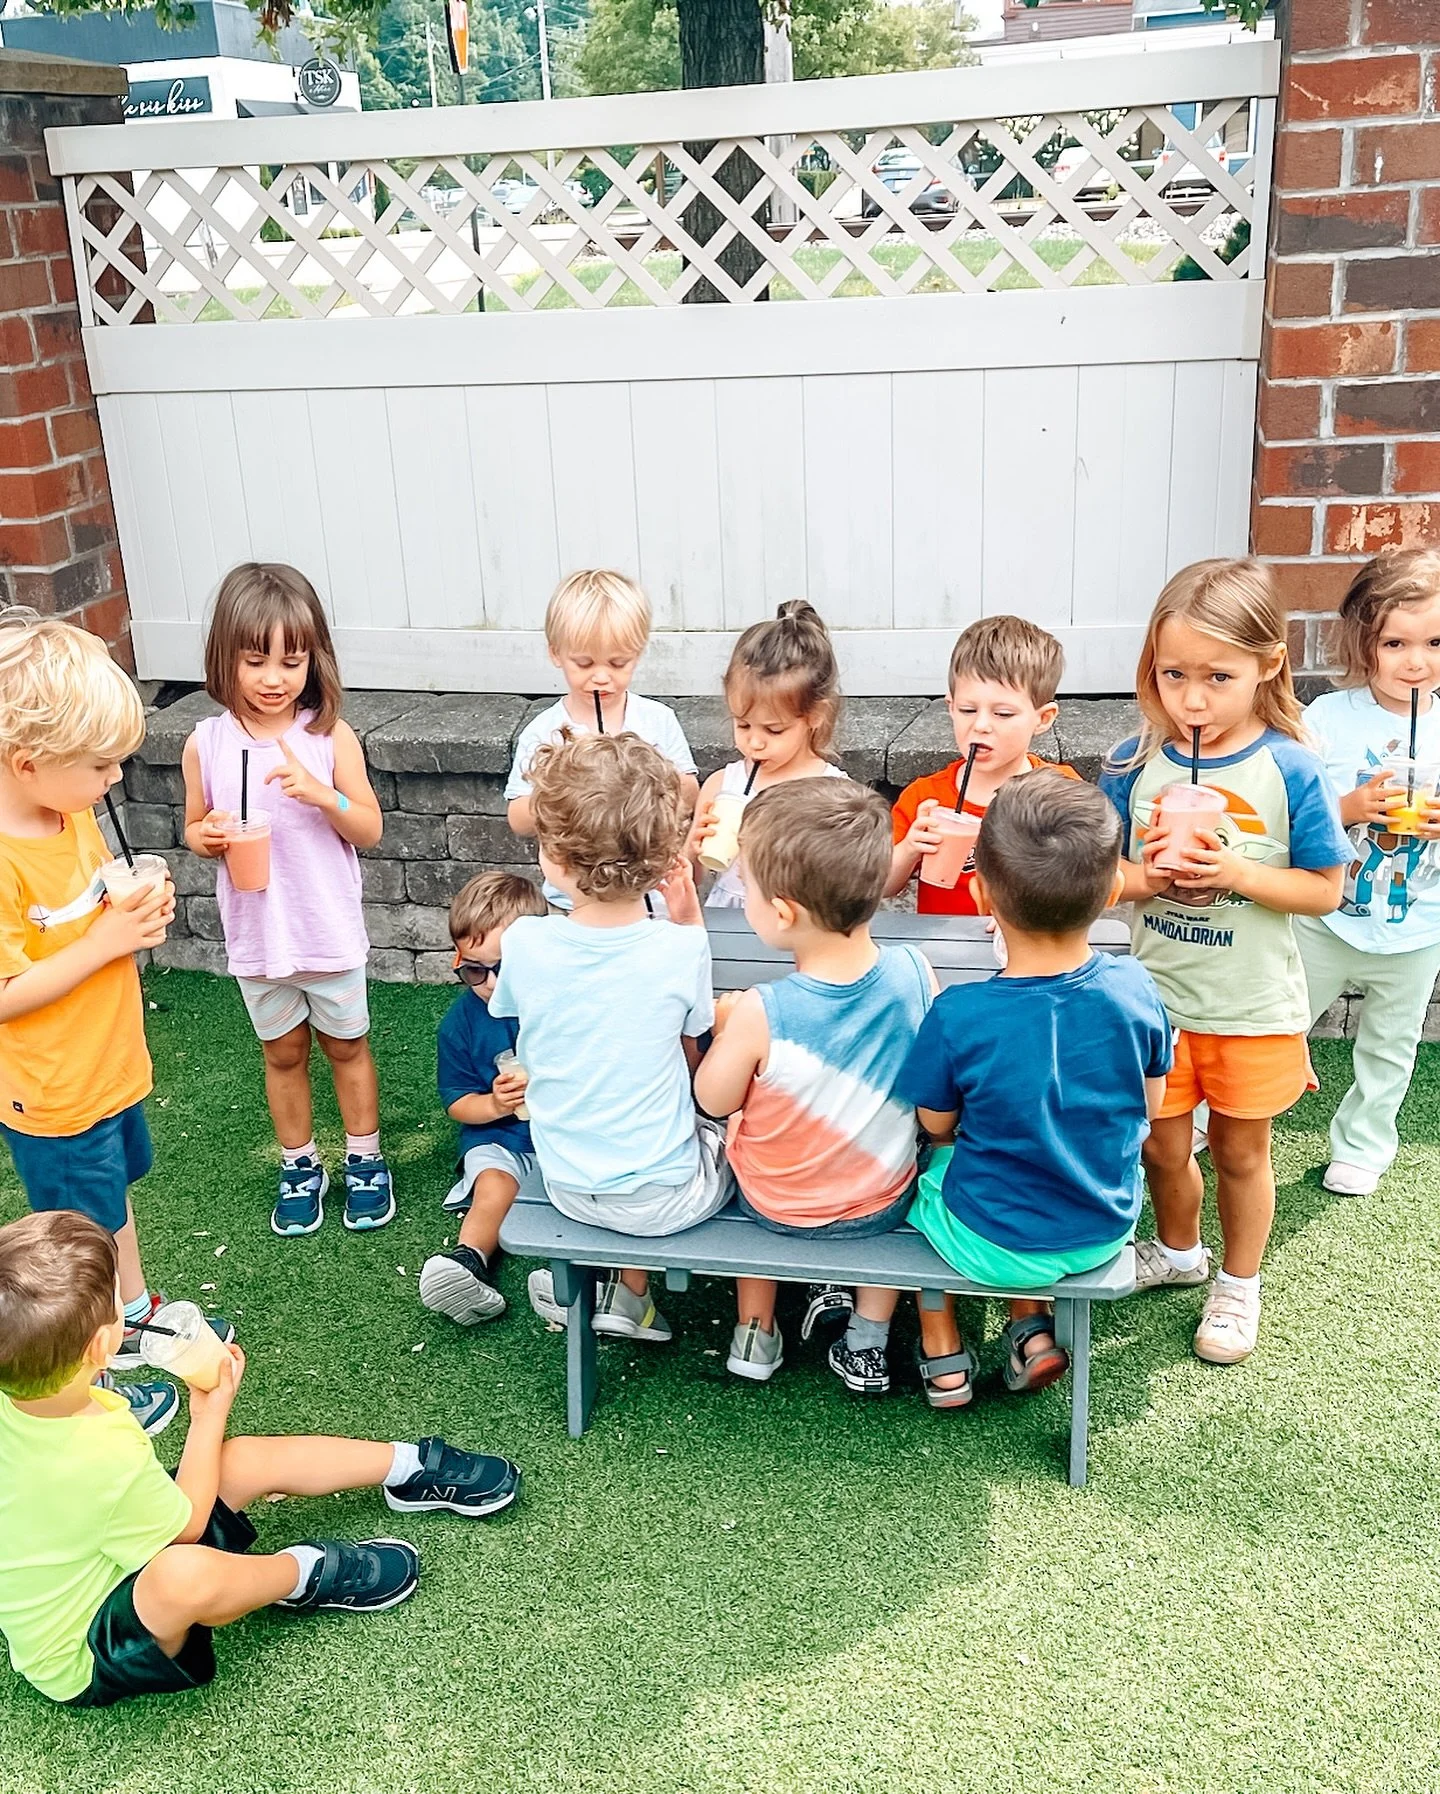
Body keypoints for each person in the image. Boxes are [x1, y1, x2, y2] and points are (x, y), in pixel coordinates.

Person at [0, 1210, 521, 1708]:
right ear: (100, 1346)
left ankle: (407, 1467)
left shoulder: (30, 1403)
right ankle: (302, 1573)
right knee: (184, 1573)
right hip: (87, 1649)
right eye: (118, 1302)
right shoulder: (99, 1450)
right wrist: (209, 1413)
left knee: (242, 1460)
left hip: (109, 1554)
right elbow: (186, 1530)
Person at [1099, 559, 1350, 1365]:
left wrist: (1237, 872)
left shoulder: (1291, 767)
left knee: (1242, 1153)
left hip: (1251, 1007)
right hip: (1156, 1006)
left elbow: (1324, 890)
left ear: (1268, 664)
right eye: (1173, 674)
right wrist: (1149, 878)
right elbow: (1098, 878)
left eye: (1218, 677)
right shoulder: (1132, 764)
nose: (1193, 700)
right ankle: (1179, 1252)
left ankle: (1239, 1284)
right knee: (1161, 1148)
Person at [898, 775, 1173, 1407]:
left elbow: (935, 1123)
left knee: (922, 1180)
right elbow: (1151, 1107)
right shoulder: (1136, 986)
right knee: (1029, 1168)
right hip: (1103, 1226)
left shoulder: (959, 1013)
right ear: (1112, 890)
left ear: (980, 894)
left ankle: (942, 1350)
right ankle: (1030, 1326)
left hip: (994, 1241)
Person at [0, 607, 186, 1437]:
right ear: (29, 763)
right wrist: (107, 941)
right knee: (81, 1240)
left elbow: (90, 904)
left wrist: (134, 906)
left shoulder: (67, 809)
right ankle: (94, 1378)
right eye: (100, 765)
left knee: (114, 1206)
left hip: (107, 1066)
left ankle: (133, 1313)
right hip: (54, 1092)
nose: (114, 778)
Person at [692, 780, 934, 1389]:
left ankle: (755, 1329)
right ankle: (868, 1340)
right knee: (899, 1149)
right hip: (881, 1202)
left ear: (782, 913)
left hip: (776, 1205)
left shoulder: (762, 1010)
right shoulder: (915, 972)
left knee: (740, 1132)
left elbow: (712, 1100)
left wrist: (727, 1026)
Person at [491, 732, 725, 1341]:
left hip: (567, 1184)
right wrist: (688, 920)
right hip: (666, 1197)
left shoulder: (523, 942)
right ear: (661, 856)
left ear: (555, 857)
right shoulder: (680, 948)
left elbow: (525, 1011)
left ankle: (627, 1293)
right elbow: (696, 1046)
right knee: (732, 1124)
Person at [182, 564, 393, 1238]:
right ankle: (300, 1163)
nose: (274, 677)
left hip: (325, 932)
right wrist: (207, 835)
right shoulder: (206, 743)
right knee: (282, 1054)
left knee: (347, 1047)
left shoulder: (330, 737)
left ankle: (365, 1158)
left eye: (291, 661)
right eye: (255, 661)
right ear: (224, 657)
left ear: (313, 659)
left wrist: (322, 794)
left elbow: (369, 828)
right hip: (259, 938)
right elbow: (193, 828)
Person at [1295, 547, 1440, 1197]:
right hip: (1326, 917)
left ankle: (1363, 1144)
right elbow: (1290, 812)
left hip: (1418, 927)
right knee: (1277, 1022)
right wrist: (1350, 808)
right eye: (1395, 643)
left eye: (1434, 643)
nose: (1416, 662)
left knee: (1391, 1045)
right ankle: (1226, 1114)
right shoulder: (1326, 718)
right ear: (1364, 643)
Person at [505, 570, 699, 909]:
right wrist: (565, 788)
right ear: (555, 653)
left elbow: (690, 792)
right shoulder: (544, 730)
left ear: (638, 653)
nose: (601, 677)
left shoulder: (657, 720)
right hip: (569, 901)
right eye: (584, 663)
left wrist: (643, 779)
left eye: (618, 663)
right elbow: (518, 818)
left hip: (649, 897)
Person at [418, 871, 548, 1325]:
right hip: (498, 1139)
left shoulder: (558, 1004)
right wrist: (494, 1104)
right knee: (494, 1188)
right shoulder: (461, 1023)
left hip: (564, 1135)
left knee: (584, 1188)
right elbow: (457, 1103)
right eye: (474, 970)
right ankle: (468, 1262)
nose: (489, 983)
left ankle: (578, 1278)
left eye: (503, 968)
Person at [886, 615, 1079, 916]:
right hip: (940, 943)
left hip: (1030, 940)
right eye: (967, 710)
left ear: (1043, 719)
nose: (981, 725)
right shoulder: (926, 798)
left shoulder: (1063, 793)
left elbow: (1088, 880)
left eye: (1003, 714)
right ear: (950, 707)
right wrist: (910, 849)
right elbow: (882, 886)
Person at [689, 601, 848, 909]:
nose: (754, 743)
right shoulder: (721, 785)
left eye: (774, 730)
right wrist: (694, 849)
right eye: (742, 724)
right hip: (728, 922)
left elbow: (843, 886)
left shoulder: (835, 793)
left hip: (795, 922)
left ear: (815, 715)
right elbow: (692, 878)